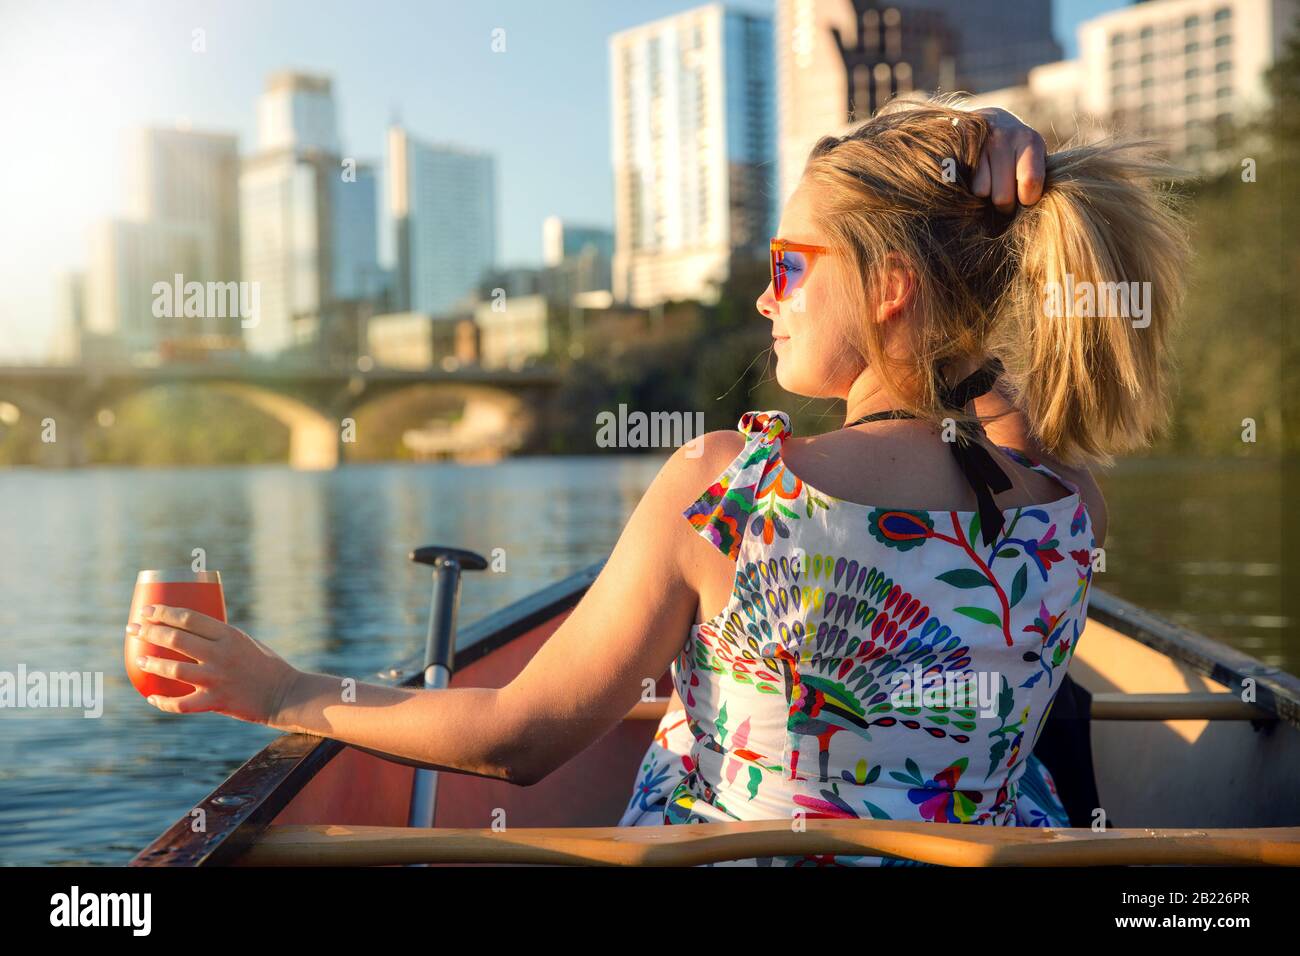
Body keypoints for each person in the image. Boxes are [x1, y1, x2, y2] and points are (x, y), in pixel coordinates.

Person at [129, 100, 1188, 866]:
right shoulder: (1066, 507)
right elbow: (998, 414)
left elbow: (519, 739)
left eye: (786, 265)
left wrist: (279, 689)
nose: (763, 298)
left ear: (888, 285)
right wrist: (976, 211)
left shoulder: (731, 488)